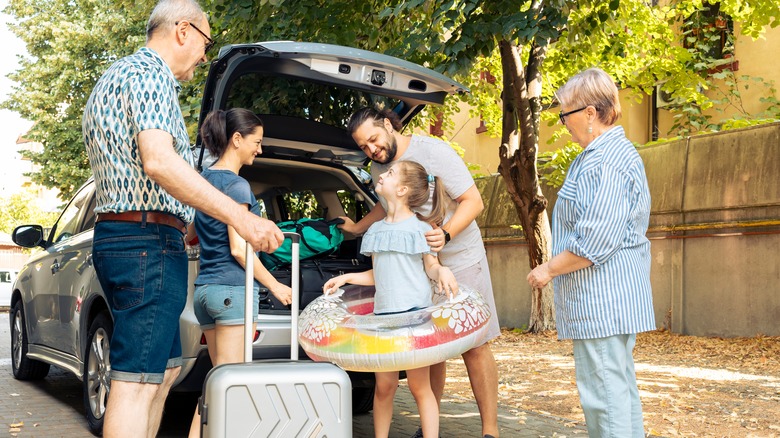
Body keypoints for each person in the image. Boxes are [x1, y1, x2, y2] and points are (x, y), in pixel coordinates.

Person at [82, 1, 283, 437]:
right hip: (144, 241)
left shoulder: (117, 75)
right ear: (183, 31)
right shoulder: (151, 74)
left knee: (166, 373)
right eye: (206, 44)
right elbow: (158, 161)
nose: (205, 56)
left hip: (137, 238)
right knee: (136, 382)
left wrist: (187, 225)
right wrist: (241, 219)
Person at [341, 107, 500, 438]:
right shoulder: (378, 167)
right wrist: (358, 227)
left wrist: (446, 235)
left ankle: (490, 430)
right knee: (431, 343)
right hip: (420, 261)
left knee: (475, 344)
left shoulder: (434, 152)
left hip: (459, 253)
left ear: (388, 125)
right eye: (363, 147)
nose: (371, 150)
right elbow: (386, 206)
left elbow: (473, 201)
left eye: (373, 139)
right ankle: (432, 425)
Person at [526, 67, 655, 437]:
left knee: (604, 395)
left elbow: (596, 239)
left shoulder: (606, 161)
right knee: (616, 389)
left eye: (565, 114)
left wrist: (548, 269)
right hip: (605, 298)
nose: (563, 122)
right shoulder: (597, 155)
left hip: (604, 299)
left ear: (589, 113)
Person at [323, 160, 458, 438]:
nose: (383, 174)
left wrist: (441, 269)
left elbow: (430, 266)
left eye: (391, 173)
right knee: (384, 388)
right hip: (384, 320)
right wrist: (347, 278)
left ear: (403, 189)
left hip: (414, 319)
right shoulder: (375, 231)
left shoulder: (421, 228)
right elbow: (380, 274)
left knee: (421, 387)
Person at [186, 109, 293, 437]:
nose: (259, 149)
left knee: (219, 383)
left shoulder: (202, 182)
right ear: (236, 140)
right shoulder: (237, 185)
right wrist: (276, 285)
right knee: (229, 387)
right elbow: (238, 249)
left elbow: (190, 234)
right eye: (256, 142)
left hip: (205, 292)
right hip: (233, 291)